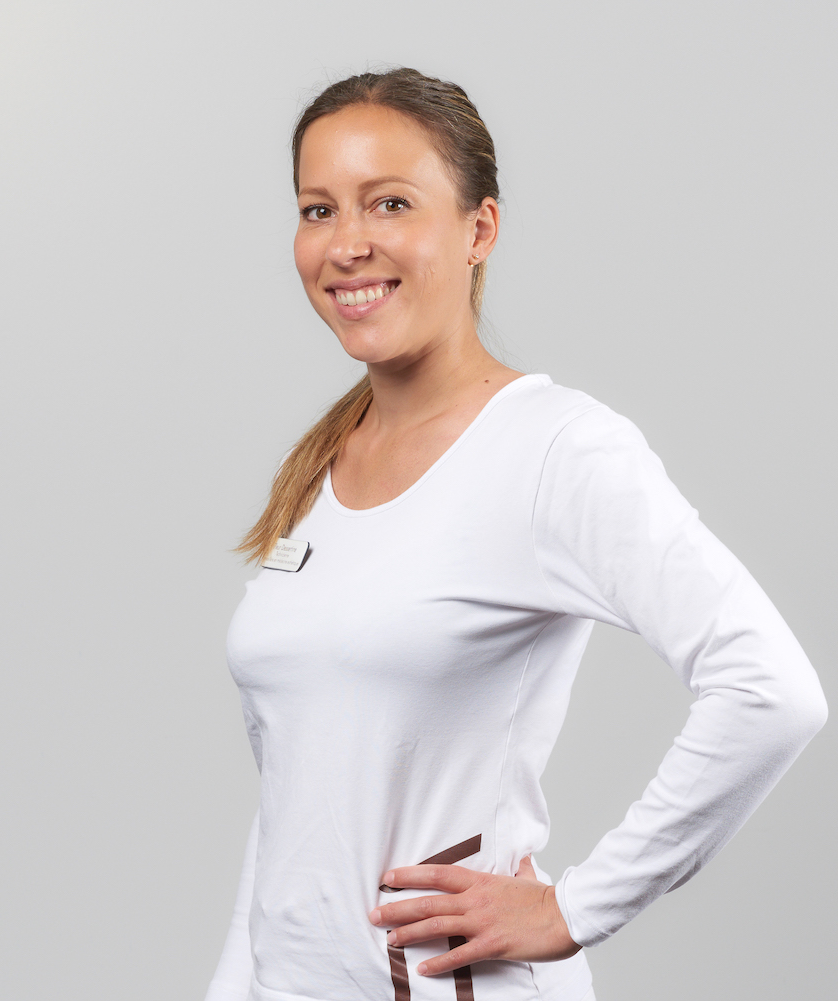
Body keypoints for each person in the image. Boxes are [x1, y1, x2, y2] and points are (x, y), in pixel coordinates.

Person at [204, 67, 827, 1001]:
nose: (347, 243)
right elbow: (294, 802)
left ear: (479, 229)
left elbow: (771, 690)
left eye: (391, 202)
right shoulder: (321, 465)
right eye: (318, 209)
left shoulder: (555, 449)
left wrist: (576, 909)